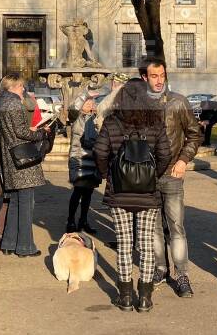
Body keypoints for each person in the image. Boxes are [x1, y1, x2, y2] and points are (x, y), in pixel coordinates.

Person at [95, 78, 172, 312]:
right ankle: (146, 298)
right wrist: (152, 176)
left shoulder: (112, 122)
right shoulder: (156, 123)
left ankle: (125, 296)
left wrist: (108, 173)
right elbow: (166, 154)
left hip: (119, 192)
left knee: (125, 244)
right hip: (148, 193)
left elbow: (99, 151)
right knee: (147, 244)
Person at [142, 58, 200, 298]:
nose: (158, 80)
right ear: (145, 78)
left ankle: (182, 274)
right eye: (153, 76)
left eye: (162, 75)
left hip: (172, 175)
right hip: (146, 177)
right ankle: (160, 268)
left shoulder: (178, 102)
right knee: (154, 229)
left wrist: (183, 160)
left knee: (176, 227)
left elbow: (194, 135)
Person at [0, 73, 51, 258]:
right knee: (26, 204)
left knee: (15, 202)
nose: (23, 89)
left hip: (10, 158)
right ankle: (25, 246)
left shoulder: (1, 103)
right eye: (20, 86)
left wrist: (30, 130)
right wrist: (41, 133)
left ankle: (9, 243)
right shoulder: (14, 103)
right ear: (12, 87)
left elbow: (13, 131)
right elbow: (21, 132)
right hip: (22, 160)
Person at [66, 95, 101, 234]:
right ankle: (70, 221)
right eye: (87, 101)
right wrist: (85, 95)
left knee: (88, 192)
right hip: (79, 159)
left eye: (92, 101)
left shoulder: (96, 119)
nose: (90, 104)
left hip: (92, 159)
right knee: (78, 190)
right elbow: (73, 107)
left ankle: (83, 220)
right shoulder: (77, 117)